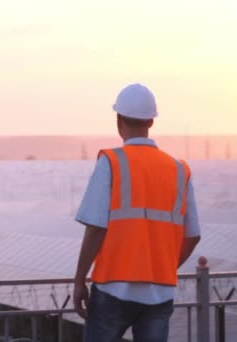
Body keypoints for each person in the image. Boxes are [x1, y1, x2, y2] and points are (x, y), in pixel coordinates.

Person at [73, 83, 201, 342]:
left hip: (113, 289)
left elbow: (96, 228)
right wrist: (162, 268)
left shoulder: (111, 162)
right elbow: (193, 235)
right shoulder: (178, 169)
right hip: (159, 294)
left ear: (118, 120)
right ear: (151, 122)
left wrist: (79, 281)